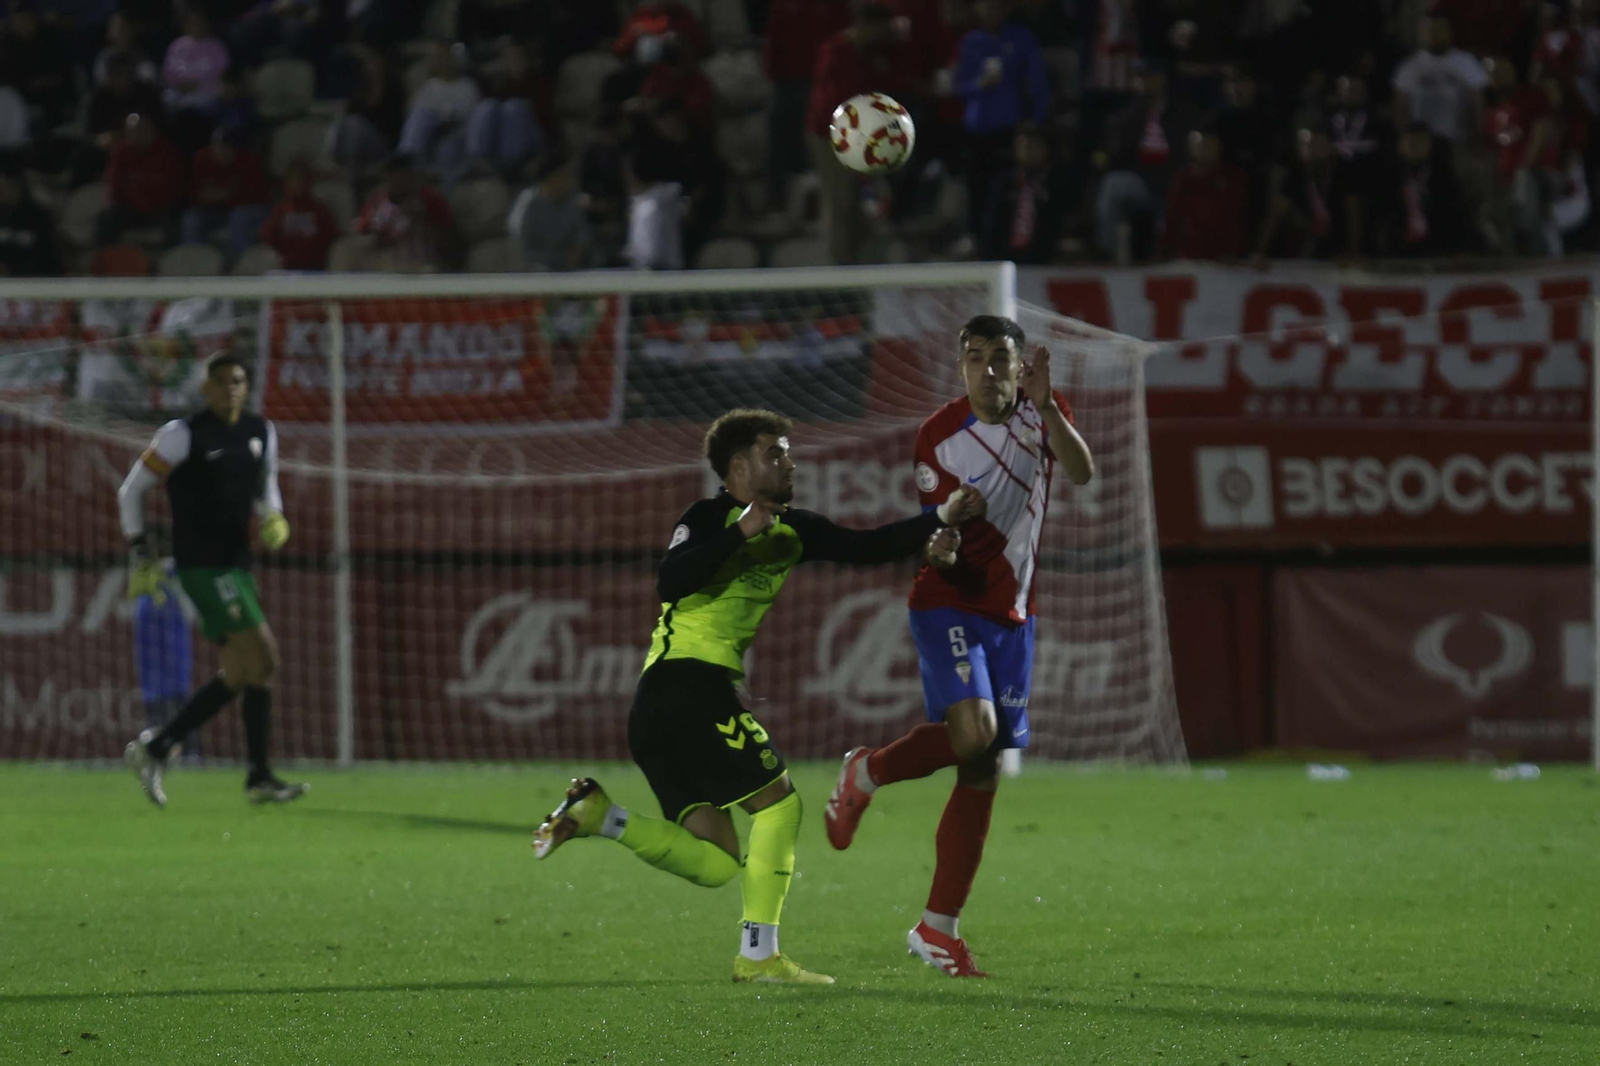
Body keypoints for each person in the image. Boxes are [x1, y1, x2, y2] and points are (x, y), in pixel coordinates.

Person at [534, 407, 987, 985]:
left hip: (668, 705)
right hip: (684, 685)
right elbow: (671, 581)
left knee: (717, 861)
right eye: (776, 453)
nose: (789, 461)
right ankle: (759, 957)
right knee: (781, 804)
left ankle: (601, 816)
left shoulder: (795, 528)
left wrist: (941, 516)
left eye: (788, 451)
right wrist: (738, 531)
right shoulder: (706, 516)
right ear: (740, 467)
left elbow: (867, 546)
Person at [824, 315, 1094, 978]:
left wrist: (1048, 407)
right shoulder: (939, 438)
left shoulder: (1043, 415)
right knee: (975, 734)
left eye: (999, 358)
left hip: (1011, 615)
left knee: (982, 765)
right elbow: (934, 532)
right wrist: (940, 544)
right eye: (974, 358)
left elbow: (1083, 472)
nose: (987, 370)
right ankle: (870, 771)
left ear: (1017, 364)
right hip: (947, 600)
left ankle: (937, 929)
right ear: (961, 367)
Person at [120, 352, 307, 807]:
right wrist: (140, 552)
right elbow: (131, 490)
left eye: (238, 381)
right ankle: (253, 773)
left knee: (245, 672)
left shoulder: (261, 431)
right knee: (265, 658)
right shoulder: (182, 434)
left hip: (237, 564)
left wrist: (273, 515)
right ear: (204, 388)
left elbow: (268, 485)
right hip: (203, 566)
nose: (231, 389)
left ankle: (161, 748)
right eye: (221, 382)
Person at [509, 151, 594, 270]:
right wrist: (557, 260)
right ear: (554, 177)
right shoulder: (529, 203)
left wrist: (578, 250)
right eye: (567, 175)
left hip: (569, 272)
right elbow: (522, 246)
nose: (571, 180)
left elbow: (582, 235)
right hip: (535, 272)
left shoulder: (572, 204)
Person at [259, 160, 340, 270]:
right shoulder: (281, 209)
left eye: (300, 180)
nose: (296, 185)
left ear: (308, 182)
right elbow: (267, 235)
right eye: (292, 180)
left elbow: (331, 235)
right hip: (285, 266)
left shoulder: (318, 209)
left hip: (314, 267)